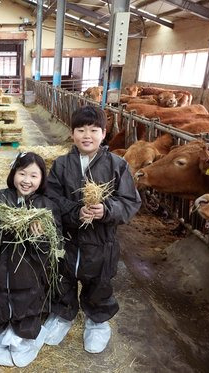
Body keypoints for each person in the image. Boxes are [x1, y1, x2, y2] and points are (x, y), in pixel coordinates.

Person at [44, 105, 141, 353]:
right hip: (67, 238)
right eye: (80, 129)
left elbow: (130, 202)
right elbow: (51, 198)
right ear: (72, 132)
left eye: (94, 130)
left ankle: (97, 322)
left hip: (102, 242)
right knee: (62, 279)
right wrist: (75, 211)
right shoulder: (62, 164)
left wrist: (107, 210)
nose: (87, 135)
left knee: (99, 283)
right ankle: (63, 315)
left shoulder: (117, 165)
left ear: (104, 132)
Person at [0, 152, 62, 367]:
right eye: (22, 173)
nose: (26, 180)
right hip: (0, 272)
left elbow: (54, 247)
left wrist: (39, 236)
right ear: (13, 173)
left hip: (30, 276)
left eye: (34, 175)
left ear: (42, 179)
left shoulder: (46, 207)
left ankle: (22, 332)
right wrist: (1, 230)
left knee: (28, 302)